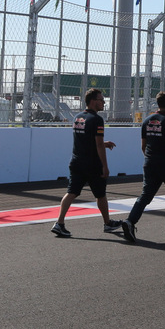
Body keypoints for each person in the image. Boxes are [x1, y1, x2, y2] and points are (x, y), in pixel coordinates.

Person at [51, 88, 122, 238]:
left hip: (76, 161)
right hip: (92, 164)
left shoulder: (78, 117)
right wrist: (105, 166)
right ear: (93, 101)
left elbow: (88, 140)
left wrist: (104, 143)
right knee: (101, 195)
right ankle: (107, 223)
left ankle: (59, 223)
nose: (103, 102)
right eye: (101, 100)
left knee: (71, 192)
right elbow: (97, 145)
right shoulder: (97, 119)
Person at [120, 91, 165, 243]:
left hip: (149, 163)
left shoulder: (147, 120)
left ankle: (130, 221)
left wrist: (151, 159)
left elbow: (143, 146)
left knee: (145, 196)